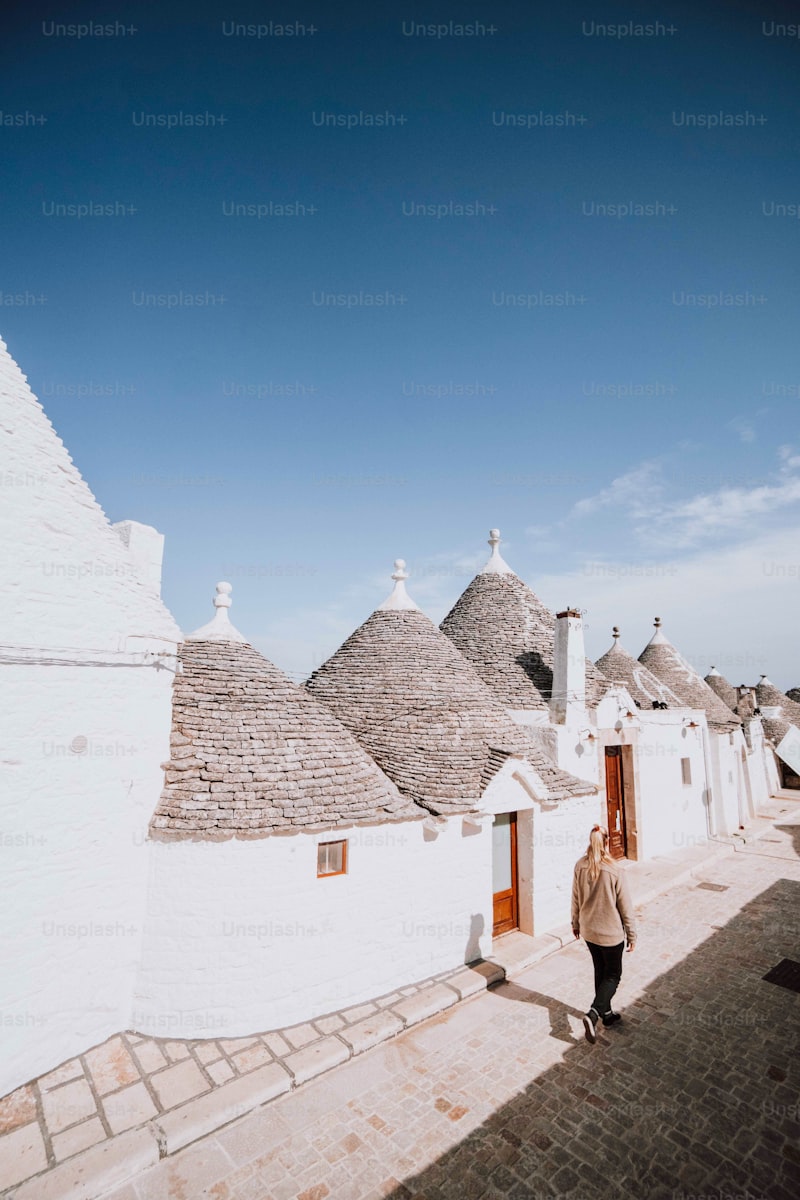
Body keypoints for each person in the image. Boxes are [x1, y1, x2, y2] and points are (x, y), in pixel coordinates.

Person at [571, 824, 636, 1043]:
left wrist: (575, 923)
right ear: (607, 842)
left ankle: (606, 1015)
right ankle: (594, 1013)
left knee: (600, 971)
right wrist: (632, 934)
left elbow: (575, 898)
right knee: (613, 975)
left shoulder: (580, 866)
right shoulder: (615, 870)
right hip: (610, 934)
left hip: (589, 931)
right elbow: (625, 906)